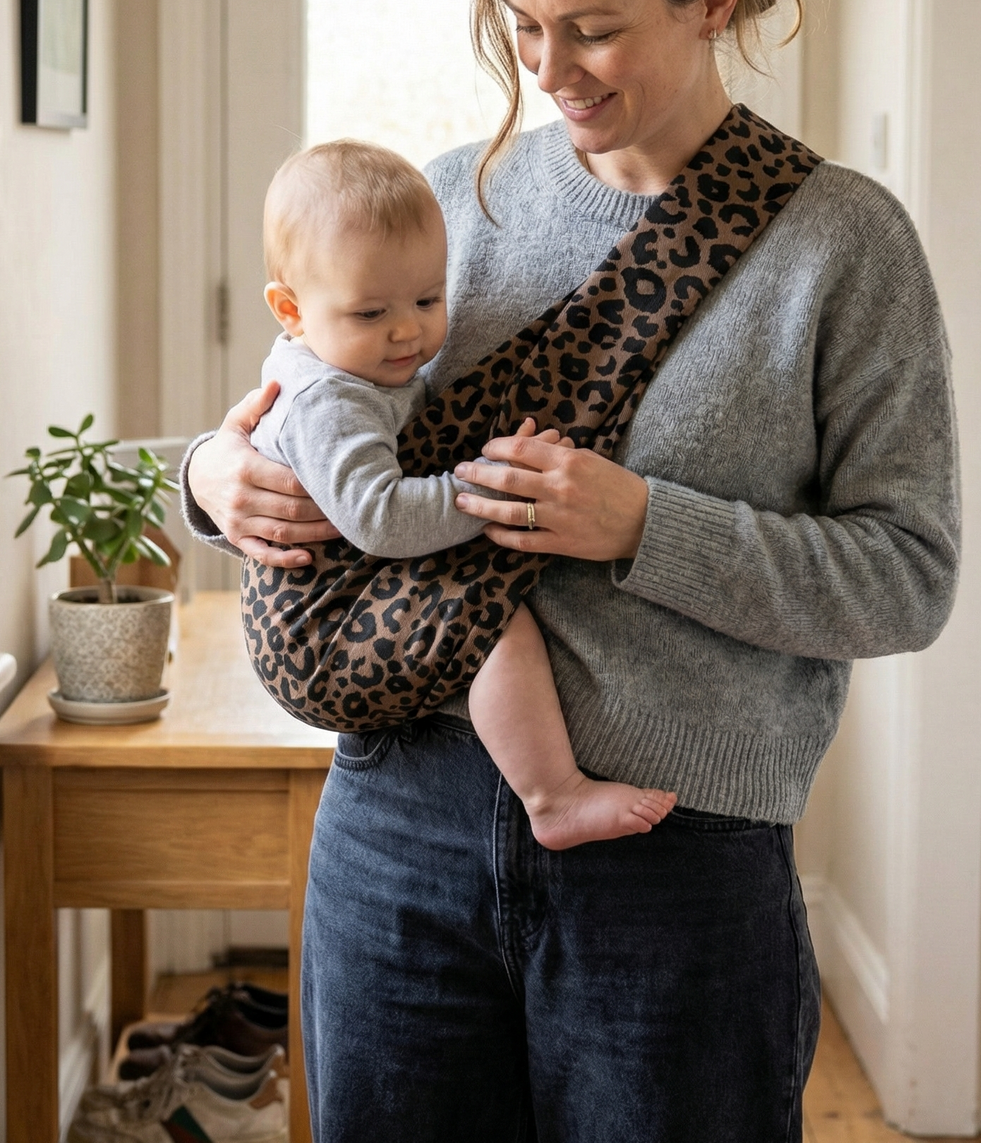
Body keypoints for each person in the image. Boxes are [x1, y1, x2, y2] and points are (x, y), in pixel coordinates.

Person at [183, 0, 960, 1143]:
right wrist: (210, 474)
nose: (547, 69)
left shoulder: (840, 245)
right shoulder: (447, 204)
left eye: (590, 28)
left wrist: (645, 525)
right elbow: (305, 404)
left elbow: (906, 577)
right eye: (521, 26)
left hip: (676, 863)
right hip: (400, 825)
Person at [249, 137, 676, 848]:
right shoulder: (328, 400)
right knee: (495, 627)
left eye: (428, 298)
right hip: (321, 623)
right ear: (290, 311)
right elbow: (381, 517)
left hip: (350, 599)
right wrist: (486, 490)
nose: (408, 330)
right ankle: (553, 794)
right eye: (369, 313)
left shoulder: (347, 361)